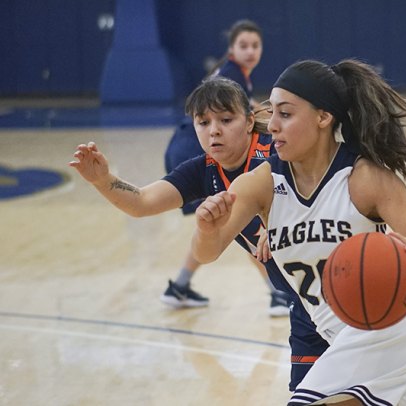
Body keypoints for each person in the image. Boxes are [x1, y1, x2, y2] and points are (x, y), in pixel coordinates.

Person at [191, 59, 406, 405]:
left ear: (323, 117)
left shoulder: (363, 178)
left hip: (389, 330)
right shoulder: (263, 183)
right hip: (341, 335)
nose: (273, 125)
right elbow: (207, 252)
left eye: (286, 114)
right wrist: (207, 228)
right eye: (271, 113)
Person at [69, 76, 329, 391]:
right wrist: (103, 179)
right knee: (314, 394)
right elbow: (141, 203)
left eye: (225, 119)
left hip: (338, 282)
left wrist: (284, 225)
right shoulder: (203, 170)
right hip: (303, 303)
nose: (213, 130)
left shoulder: (278, 152)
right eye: (203, 122)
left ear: (249, 122)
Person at [163, 19, 290, 315]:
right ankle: (278, 294)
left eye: (255, 46)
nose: (249, 51)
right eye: (243, 45)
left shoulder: (235, 75)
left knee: (220, 225)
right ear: (231, 49)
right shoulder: (231, 75)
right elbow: (247, 113)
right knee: (238, 223)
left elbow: (251, 110)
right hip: (194, 150)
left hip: (187, 145)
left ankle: (179, 285)